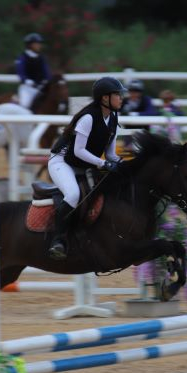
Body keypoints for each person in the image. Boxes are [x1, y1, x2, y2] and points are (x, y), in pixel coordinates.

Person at [47, 76, 126, 260]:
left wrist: (126, 164)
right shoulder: (88, 118)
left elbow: (111, 155)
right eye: (117, 94)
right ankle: (58, 240)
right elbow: (79, 150)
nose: (121, 98)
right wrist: (103, 163)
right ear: (105, 98)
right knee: (73, 194)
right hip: (62, 162)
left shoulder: (113, 118)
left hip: (83, 165)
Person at [15, 33, 51, 109]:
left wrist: (47, 80)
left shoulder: (41, 58)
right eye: (36, 43)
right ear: (30, 45)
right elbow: (21, 72)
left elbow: (46, 72)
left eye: (39, 43)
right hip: (27, 88)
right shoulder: (23, 58)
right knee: (24, 104)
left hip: (41, 88)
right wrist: (26, 80)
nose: (39, 45)